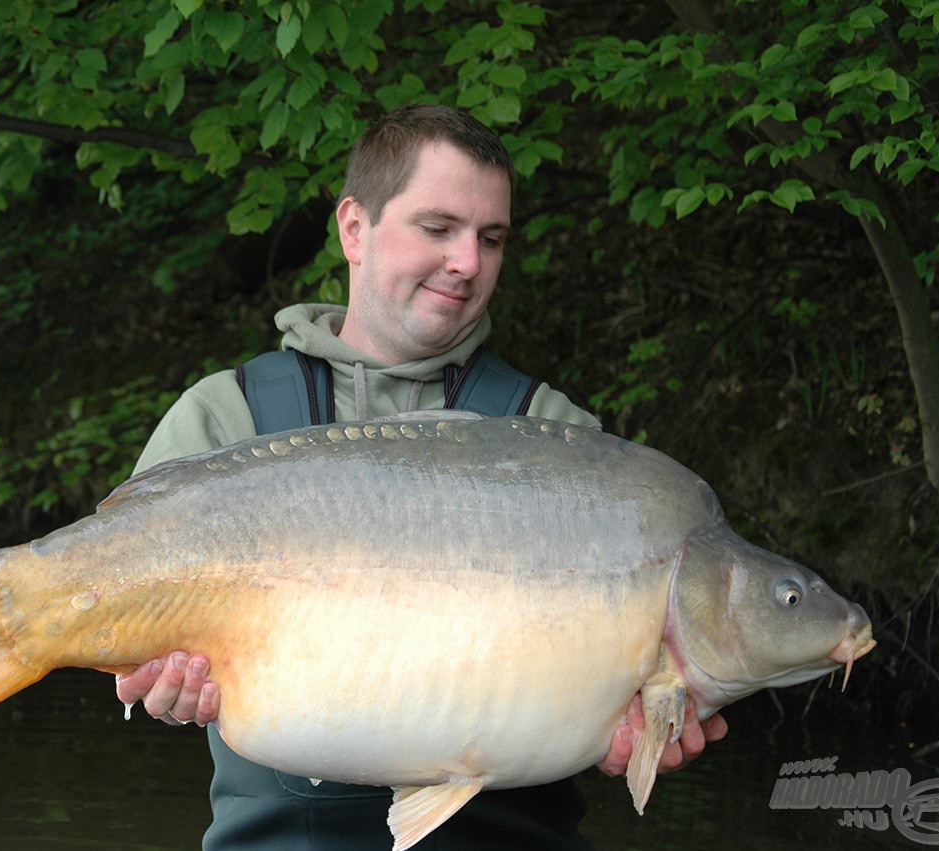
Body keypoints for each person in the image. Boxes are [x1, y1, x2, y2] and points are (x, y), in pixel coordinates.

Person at [117, 104, 728, 849]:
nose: (469, 262)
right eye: (439, 228)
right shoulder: (226, 418)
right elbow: (118, 631)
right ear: (354, 228)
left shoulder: (560, 438)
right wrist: (153, 684)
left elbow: (635, 681)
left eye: (490, 238)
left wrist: (626, 734)